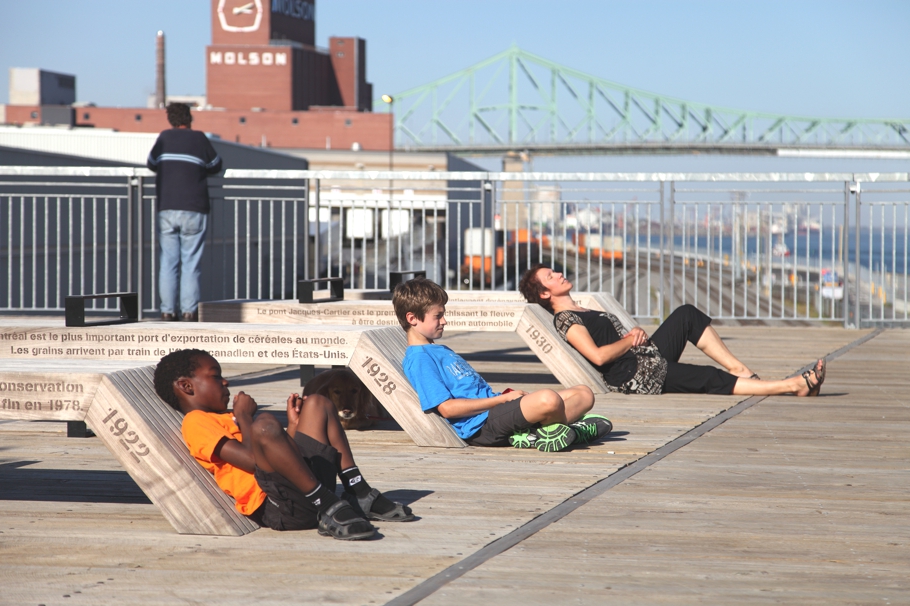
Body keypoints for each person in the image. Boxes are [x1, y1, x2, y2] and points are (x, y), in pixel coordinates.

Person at [153, 348, 414, 541]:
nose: (225, 382)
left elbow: (279, 458)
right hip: (279, 506)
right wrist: (246, 418)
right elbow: (253, 461)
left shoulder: (224, 417)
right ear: (186, 386)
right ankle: (330, 505)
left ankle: (358, 491)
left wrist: (293, 426)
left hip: (299, 488)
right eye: (215, 376)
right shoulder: (196, 422)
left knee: (317, 403)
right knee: (265, 423)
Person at [518, 264, 826, 397]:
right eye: (550, 276)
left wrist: (634, 337)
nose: (558, 274)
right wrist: (628, 340)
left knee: (686, 315)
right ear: (545, 294)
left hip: (643, 357)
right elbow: (598, 357)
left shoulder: (582, 308)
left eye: (554, 271)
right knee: (709, 378)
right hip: (636, 377)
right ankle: (791, 386)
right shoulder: (566, 320)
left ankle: (741, 370)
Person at [392, 277, 612, 452]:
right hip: (481, 426)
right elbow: (447, 409)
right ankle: (556, 432)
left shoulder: (436, 349)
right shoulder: (419, 359)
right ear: (413, 319)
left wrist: (503, 399)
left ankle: (554, 431)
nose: (445, 321)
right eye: (438, 316)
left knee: (584, 393)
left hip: (496, 411)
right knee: (548, 399)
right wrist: (502, 399)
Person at [147, 103, 222, 322]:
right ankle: (189, 312)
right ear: (189, 118)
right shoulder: (199, 139)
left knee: (168, 262)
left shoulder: (163, 139)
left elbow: (151, 164)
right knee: (190, 263)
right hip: (193, 208)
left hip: (167, 207)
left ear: (169, 119)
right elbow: (216, 165)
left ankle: (167, 311)